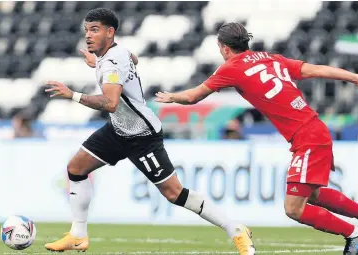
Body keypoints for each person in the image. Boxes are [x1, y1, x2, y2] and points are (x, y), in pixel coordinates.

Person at [155, 22, 358, 255]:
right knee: (313, 195)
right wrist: (355, 77)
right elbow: (315, 69)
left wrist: (171, 96)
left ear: (224, 48)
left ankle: (354, 234)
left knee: (293, 208)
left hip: (308, 137)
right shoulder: (270, 58)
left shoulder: (231, 68)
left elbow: (193, 96)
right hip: (314, 130)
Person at [43, 9, 255, 255]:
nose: (88, 35)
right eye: (87, 30)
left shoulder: (112, 60)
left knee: (174, 193)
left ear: (110, 32)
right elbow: (134, 59)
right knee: (76, 169)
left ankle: (235, 229)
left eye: (95, 29)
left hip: (143, 136)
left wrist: (73, 95)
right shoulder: (116, 53)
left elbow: (111, 103)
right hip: (118, 129)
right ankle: (78, 235)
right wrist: (97, 63)